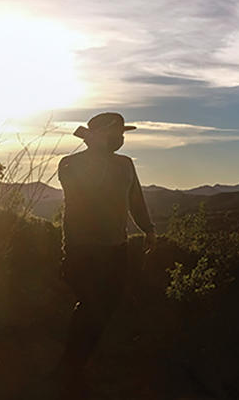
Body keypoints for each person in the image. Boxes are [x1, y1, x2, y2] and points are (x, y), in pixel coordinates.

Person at [55, 112, 156, 394]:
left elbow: (135, 199)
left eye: (123, 134)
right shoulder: (70, 164)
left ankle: (76, 363)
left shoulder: (125, 165)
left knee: (103, 307)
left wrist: (148, 228)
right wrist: (97, 151)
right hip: (80, 249)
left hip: (116, 249)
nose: (121, 139)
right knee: (91, 306)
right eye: (117, 133)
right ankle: (71, 367)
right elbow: (85, 192)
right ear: (100, 135)